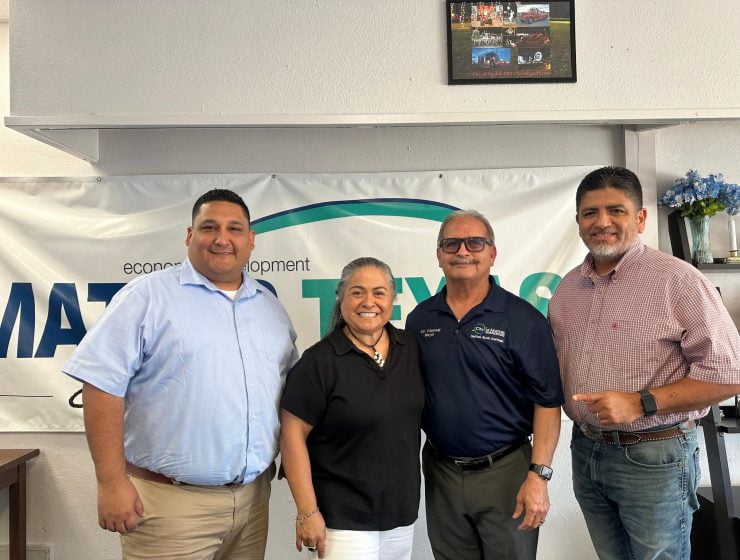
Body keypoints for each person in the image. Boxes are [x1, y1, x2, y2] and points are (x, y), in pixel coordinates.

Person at [62, 189, 298, 559]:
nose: (222, 238)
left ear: (251, 240)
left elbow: (288, 393)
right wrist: (110, 483)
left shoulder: (270, 309)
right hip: (168, 505)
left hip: (252, 502)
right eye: (209, 227)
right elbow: (101, 384)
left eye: (235, 228)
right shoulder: (148, 297)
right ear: (190, 235)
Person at [549, 166, 740, 560]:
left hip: (656, 455)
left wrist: (641, 402)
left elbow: (730, 376)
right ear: (578, 221)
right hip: (587, 450)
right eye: (590, 213)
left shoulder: (677, 280)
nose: (602, 222)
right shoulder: (567, 289)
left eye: (616, 210)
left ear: (639, 217)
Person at [406, 210, 564, 560]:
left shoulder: (522, 319)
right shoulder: (420, 319)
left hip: (506, 472)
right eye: (451, 243)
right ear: (439, 254)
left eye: (475, 242)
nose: (463, 250)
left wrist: (539, 476)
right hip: (441, 470)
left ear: (492, 253)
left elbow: (548, 402)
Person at [280, 257, 424, 560]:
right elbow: (292, 436)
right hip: (342, 523)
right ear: (341, 299)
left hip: (400, 515)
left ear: (392, 299)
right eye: (357, 292)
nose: (368, 301)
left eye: (379, 292)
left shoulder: (409, 348)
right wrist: (307, 513)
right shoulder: (319, 362)